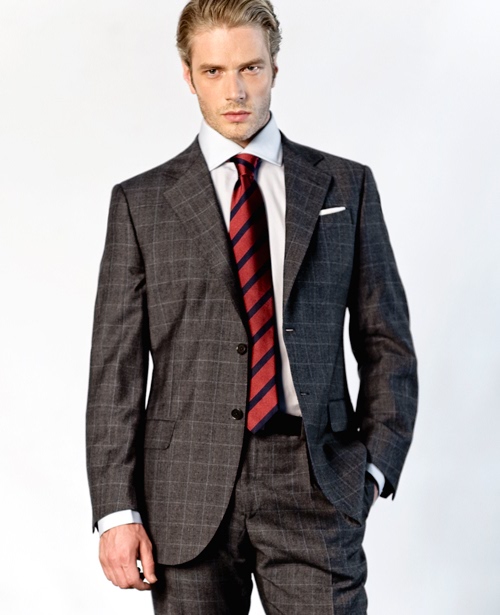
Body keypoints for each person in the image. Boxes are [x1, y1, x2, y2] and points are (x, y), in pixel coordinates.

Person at [86, 1, 418, 613]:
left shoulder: (346, 186)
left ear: (274, 67)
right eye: (214, 71)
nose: (235, 90)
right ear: (188, 75)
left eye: (250, 68)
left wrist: (372, 470)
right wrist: (115, 511)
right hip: (185, 489)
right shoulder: (142, 203)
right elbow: (116, 371)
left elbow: (386, 340)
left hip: (315, 479)